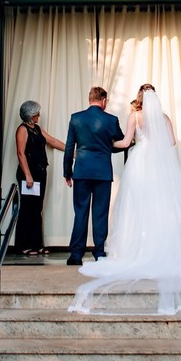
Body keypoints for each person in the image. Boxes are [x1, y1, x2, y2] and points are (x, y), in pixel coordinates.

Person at [69, 84, 181, 315]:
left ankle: (135, 250)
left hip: (140, 163)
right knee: (163, 207)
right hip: (160, 165)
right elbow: (172, 142)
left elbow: (125, 143)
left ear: (139, 97)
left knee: (137, 207)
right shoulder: (164, 117)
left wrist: (100, 145)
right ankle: (164, 248)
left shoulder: (135, 115)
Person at [62, 86, 124, 266]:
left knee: (80, 212)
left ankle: (76, 254)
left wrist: (67, 172)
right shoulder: (111, 120)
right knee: (100, 213)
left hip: (81, 171)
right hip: (103, 172)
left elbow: (69, 147)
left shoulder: (76, 118)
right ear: (104, 101)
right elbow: (119, 143)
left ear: (90, 99)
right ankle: (99, 252)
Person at [14, 99, 64, 256]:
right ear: (30, 114)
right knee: (27, 208)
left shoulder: (36, 129)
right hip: (29, 174)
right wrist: (28, 176)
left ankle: (36, 244)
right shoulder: (22, 130)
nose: (39, 115)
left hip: (40, 172)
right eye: (37, 113)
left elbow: (52, 141)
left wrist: (72, 151)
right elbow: (21, 153)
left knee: (37, 209)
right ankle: (23, 245)